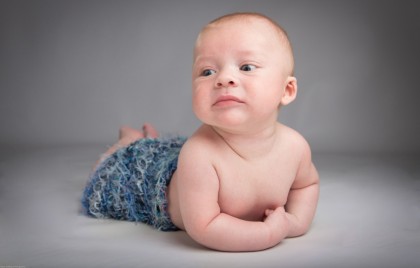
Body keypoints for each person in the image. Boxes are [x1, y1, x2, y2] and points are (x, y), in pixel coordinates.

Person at [82, 12, 319, 252]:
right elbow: (205, 227)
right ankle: (130, 140)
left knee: (169, 152)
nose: (224, 78)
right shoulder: (199, 154)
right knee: (111, 169)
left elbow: (306, 185)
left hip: (176, 164)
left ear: (287, 90)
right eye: (207, 72)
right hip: (146, 184)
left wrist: (294, 222)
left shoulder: (295, 147)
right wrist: (268, 233)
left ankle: (150, 139)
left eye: (246, 67)